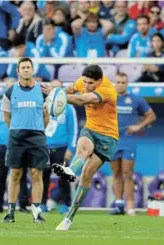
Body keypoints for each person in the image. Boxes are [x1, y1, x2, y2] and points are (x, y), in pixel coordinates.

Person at [41, 64, 118, 231]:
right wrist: (54, 97)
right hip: (91, 128)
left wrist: (56, 93)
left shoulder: (108, 90)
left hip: (108, 136)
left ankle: (69, 218)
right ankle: (70, 171)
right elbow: (69, 90)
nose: (87, 85)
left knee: (87, 175)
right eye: (85, 82)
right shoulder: (81, 82)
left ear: (99, 80)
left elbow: (82, 99)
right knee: (83, 148)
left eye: (91, 83)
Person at [1, 57, 50, 223]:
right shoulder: (9, 91)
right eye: (23, 67)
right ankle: (10, 213)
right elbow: (6, 116)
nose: (26, 70)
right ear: (18, 71)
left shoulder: (43, 91)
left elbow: (46, 117)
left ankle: (36, 214)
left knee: (36, 174)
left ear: (32, 69)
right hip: (16, 136)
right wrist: (17, 127)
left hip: (37, 136)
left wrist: (37, 128)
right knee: (15, 174)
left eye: (29, 67)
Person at [110, 72, 156, 216]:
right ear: (114, 83)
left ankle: (131, 207)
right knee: (116, 174)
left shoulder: (136, 100)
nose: (120, 85)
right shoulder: (108, 99)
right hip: (112, 141)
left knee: (127, 173)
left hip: (128, 141)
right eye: (118, 82)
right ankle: (119, 204)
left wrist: (138, 127)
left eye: (123, 82)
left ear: (127, 84)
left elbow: (151, 116)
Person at [0, 79, 30, 213]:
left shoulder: (23, 106)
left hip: (19, 145)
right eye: (8, 87)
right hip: (1, 147)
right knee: (0, 178)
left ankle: (22, 206)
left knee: (21, 177)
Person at [43, 80, 78, 214]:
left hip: (62, 149)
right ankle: (42, 204)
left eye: (58, 88)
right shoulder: (43, 106)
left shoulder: (68, 108)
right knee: (42, 177)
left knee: (63, 178)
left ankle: (65, 204)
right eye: (53, 88)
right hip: (44, 148)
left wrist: (71, 148)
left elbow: (73, 130)